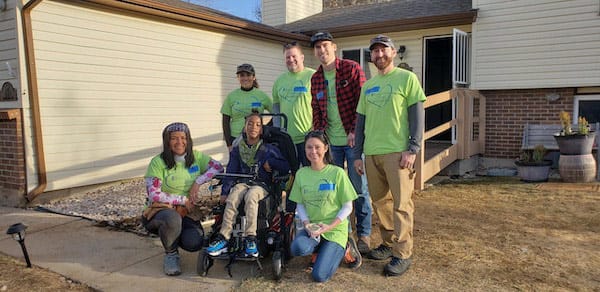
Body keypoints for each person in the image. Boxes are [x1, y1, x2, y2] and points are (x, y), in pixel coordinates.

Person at [353, 35, 426, 277]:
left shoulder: (407, 78)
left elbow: (417, 116)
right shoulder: (368, 86)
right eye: (374, 51)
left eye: (383, 50)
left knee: (402, 205)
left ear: (393, 53)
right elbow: (360, 123)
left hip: (398, 153)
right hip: (372, 153)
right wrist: (357, 155)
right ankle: (387, 243)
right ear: (371, 57)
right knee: (380, 202)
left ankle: (403, 253)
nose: (379, 55)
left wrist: (413, 148)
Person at [309, 31, 372, 255]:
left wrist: (355, 130)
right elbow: (316, 109)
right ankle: (339, 233)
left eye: (325, 45)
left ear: (334, 47)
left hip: (353, 142)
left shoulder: (352, 68)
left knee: (358, 188)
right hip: (331, 144)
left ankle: (364, 234)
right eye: (317, 47)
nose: (322, 51)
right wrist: (318, 135)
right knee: (334, 192)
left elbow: (363, 103)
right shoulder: (315, 78)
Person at [142, 122, 224, 276]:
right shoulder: (157, 162)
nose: (179, 142)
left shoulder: (197, 156)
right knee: (172, 219)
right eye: (174, 138)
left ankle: (171, 234)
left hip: (186, 212)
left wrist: (198, 181)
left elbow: (218, 167)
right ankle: (171, 254)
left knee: (195, 242)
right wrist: (182, 199)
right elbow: (153, 193)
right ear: (167, 141)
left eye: (183, 138)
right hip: (161, 211)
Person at [207, 112, 290, 257]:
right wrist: (224, 192)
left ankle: (250, 237)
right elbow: (231, 172)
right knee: (233, 196)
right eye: (250, 123)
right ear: (244, 127)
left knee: (251, 196)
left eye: (258, 124)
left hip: (262, 185)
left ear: (261, 130)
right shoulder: (237, 150)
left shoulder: (269, 149)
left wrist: (271, 163)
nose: (253, 127)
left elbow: (285, 165)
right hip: (242, 182)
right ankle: (224, 237)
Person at [289, 130, 361, 282]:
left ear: (326, 148)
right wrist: (307, 224)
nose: (313, 151)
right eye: (309, 147)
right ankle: (320, 249)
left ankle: (345, 247)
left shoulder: (337, 173)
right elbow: (299, 203)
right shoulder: (301, 174)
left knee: (319, 276)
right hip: (313, 229)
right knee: (297, 248)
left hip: (334, 230)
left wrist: (329, 226)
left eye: (317, 147)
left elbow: (348, 206)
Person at [272, 41, 316, 167]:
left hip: (307, 138)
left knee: (310, 174)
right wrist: (278, 132)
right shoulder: (279, 81)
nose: (291, 60)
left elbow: (321, 105)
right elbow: (276, 108)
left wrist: (315, 130)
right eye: (287, 57)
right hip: (287, 140)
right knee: (290, 176)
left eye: (294, 56)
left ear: (302, 57)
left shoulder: (313, 76)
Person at [221, 63, 273, 152]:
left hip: (256, 139)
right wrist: (229, 144)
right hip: (236, 139)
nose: (245, 78)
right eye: (242, 75)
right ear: (238, 78)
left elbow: (277, 114)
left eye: (248, 75)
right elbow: (225, 121)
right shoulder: (231, 96)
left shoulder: (262, 96)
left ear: (254, 77)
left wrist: (264, 128)